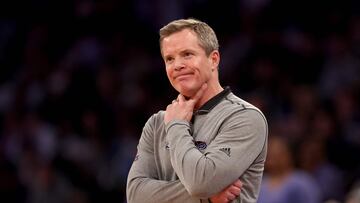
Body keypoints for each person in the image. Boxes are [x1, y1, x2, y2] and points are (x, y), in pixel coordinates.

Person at [126, 18, 268, 203]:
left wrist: (176, 125)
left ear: (213, 59)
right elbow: (135, 195)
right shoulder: (157, 123)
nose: (177, 65)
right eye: (170, 58)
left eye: (187, 54)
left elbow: (200, 183)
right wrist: (206, 197)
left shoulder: (245, 117)